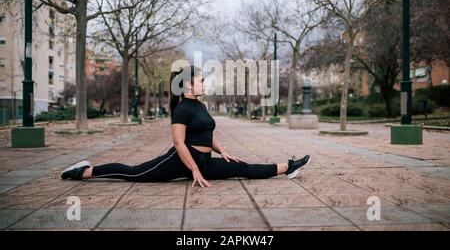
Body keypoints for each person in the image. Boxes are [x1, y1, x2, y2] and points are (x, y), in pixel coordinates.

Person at [61, 65, 311, 187]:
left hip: (203, 161)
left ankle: (288, 166)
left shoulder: (200, 106)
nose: (204, 83)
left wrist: (221, 150)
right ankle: (83, 171)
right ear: (189, 85)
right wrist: (193, 170)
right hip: (181, 161)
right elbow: (178, 144)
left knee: (242, 167)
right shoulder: (182, 109)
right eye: (201, 80)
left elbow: (205, 133)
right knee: (133, 173)